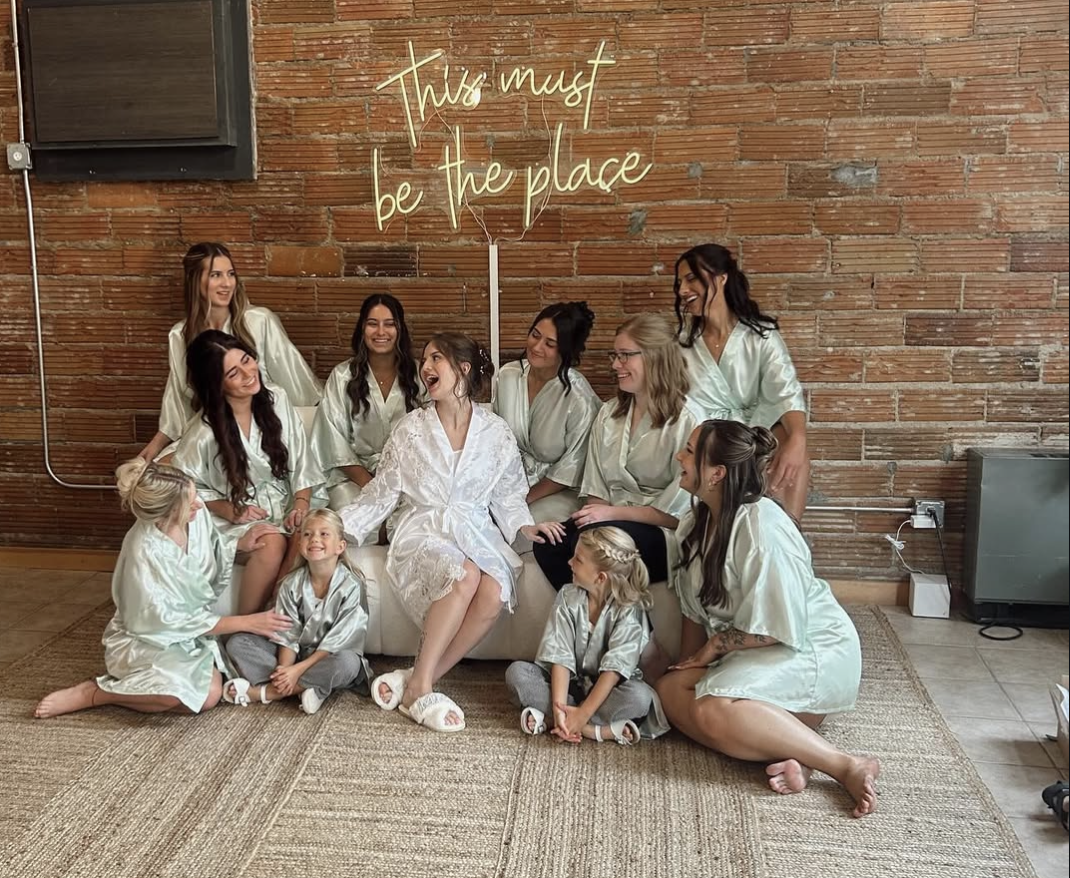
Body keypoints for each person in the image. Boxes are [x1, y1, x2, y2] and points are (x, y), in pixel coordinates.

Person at [338, 332, 565, 733]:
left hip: (475, 530)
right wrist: (342, 528)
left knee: (494, 589)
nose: (425, 368)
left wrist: (528, 525)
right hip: (422, 528)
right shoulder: (410, 429)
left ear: (463, 369)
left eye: (436, 359)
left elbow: (509, 495)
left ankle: (417, 679)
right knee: (464, 575)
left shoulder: (496, 433)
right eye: (424, 360)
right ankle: (421, 686)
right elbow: (383, 492)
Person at [656, 419, 879, 818]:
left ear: (717, 473)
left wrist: (712, 650)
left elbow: (778, 626)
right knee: (670, 691)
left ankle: (843, 764)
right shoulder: (694, 525)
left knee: (710, 709)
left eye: (689, 451)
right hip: (752, 651)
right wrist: (685, 668)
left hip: (806, 647)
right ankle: (792, 748)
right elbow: (694, 614)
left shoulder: (763, 528)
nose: (679, 457)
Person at [33, 459, 290, 719]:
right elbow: (165, 622)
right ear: (165, 512)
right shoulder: (143, 551)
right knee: (185, 695)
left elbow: (212, 545)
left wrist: (237, 544)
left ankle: (127, 691)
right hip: (147, 638)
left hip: (189, 636)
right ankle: (96, 693)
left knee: (206, 697)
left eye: (195, 495)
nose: (199, 504)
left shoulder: (196, 517)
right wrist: (247, 623)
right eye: (190, 502)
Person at [531, 312, 702, 593]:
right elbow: (596, 489)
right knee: (549, 544)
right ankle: (595, 623)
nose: (615, 364)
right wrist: (598, 515)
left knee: (594, 546)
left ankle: (610, 629)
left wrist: (611, 514)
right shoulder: (609, 414)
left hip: (664, 531)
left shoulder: (689, 421)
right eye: (615, 355)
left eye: (624, 356)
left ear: (655, 357)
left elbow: (679, 512)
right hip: (609, 520)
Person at [172, 330, 325, 615]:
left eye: (246, 360)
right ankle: (246, 626)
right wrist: (230, 510)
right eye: (233, 373)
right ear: (217, 385)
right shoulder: (204, 432)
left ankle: (277, 609)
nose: (248, 373)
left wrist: (301, 503)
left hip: (287, 503)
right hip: (232, 517)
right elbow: (183, 489)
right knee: (270, 542)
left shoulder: (277, 400)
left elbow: (303, 460)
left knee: (308, 531)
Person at [139, 242, 321, 462]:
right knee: (155, 473)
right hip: (210, 432)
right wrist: (153, 448)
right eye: (216, 275)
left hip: (261, 431)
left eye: (231, 274)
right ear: (195, 280)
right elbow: (178, 402)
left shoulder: (259, 322)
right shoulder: (179, 335)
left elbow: (298, 386)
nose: (227, 283)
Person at [674, 243, 809, 522]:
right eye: (679, 283)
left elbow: (786, 392)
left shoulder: (761, 336)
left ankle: (788, 534)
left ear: (721, 277)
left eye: (691, 279)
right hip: (702, 439)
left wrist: (798, 438)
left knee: (791, 441)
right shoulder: (682, 344)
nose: (682, 291)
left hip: (751, 436)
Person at [505, 526, 669, 745]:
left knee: (640, 697)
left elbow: (614, 671)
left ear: (600, 577)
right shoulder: (568, 596)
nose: (569, 563)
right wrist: (559, 707)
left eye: (578, 560)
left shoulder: (631, 610)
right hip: (568, 685)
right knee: (517, 673)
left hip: (608, 690)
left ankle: (571, 724)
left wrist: (581, 716)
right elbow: (559, 657)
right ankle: (590, 727)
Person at [223, 509, 371, 715]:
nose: (314, 540)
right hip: (295, 655)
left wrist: (297, 671)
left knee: (348, 664)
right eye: (307, 534)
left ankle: (268, 692)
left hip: (330, 656)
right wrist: (286, 670)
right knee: (238, 643)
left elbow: (339, 640)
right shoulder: (291, 583)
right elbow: (287, 634)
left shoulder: (352, 585)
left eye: (324, 534)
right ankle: (311, 688)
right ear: (300, 544)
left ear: (340, 546)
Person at [309, 294, 421, 526]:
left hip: (407, 480)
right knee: (347, 521)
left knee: (417, 520)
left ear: (400, 330)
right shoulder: (342, 377)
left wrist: (393, 486)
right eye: (372, 323)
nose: (381, 332)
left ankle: (389, 531)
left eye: (389, 324)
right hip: (353, 480)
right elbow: (332, 441)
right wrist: (373, 486)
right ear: (362, 329)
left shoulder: (420, 376)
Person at [492, 302, 601, 532]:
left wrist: (524, 499)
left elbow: (572, 468)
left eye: (550, 343)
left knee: (525, 524)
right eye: (535, 335)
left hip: (558, 491)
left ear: (566, 350)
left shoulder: (579, 398)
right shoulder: (508, 375)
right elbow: (493, 436)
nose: (537, 346)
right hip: (509, 482)